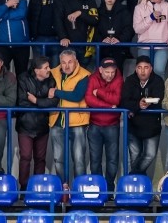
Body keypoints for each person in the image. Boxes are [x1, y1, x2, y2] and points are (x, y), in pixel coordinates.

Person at [47, 48, 91, 182]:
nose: (66, 66)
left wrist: (56, 92)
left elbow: (77, 96)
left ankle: (79, 188)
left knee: (78, 159)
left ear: (76, 61)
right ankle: (63, 188)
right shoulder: (53, 72)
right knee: (58, 159)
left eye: (70, 62)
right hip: (56, 120)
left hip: (77, 121)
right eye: (63, 62)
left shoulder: (84, 75)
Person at [119, 55, 165, 178]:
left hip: (152, 126)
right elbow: (124, 101)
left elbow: (159, 100)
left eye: (146, 67)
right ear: (136, 69)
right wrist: (138, 105)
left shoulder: (158, 80)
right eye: (139, 67)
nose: (142, 71)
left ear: (151, 68)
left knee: (149, 155)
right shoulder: (130, 80)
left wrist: (143, 105)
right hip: (133, 125)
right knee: (135, 157)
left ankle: (131, 177)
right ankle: (137, 185)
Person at [15, 55, 56, 187]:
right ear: (37, 70)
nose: (49, 70)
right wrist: (44, 102)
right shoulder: (23, 78)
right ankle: (24, 188)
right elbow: (22, 102)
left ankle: (38, 187)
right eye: (46, 68)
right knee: (25, 157)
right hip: (25, 124)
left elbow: (53, 102)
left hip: (42, 125)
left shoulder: (51, 80)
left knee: (40, 158)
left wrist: (36, 100)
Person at [84, 56, 123, 186]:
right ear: (100, 70)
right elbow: (89, 99)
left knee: (112, 160)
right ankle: (98, 188)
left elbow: (116, 100)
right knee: (95, 161)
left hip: (112, 124)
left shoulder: (119, 78)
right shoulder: (93, 78)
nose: (110, 75)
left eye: (112, 72)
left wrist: (99, 92)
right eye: (107, 72)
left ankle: (109, 189)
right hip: (94, 125)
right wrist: (109, 106)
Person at [53, 0, 99, 70]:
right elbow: (57, 20)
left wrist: (80, 13)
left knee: (84, 76)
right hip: (68, 46)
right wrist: (63, 37)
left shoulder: (90, 0)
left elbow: (95, 20)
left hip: (86, 47)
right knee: (67, 74)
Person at [132, 0, 168, 78]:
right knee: (143, 73)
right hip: (144, 45)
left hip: (162, 44)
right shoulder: (139, 8)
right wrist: (150, 18)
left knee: (158, 71)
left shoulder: (167, 6)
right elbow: (137, 29)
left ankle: (159, 88)